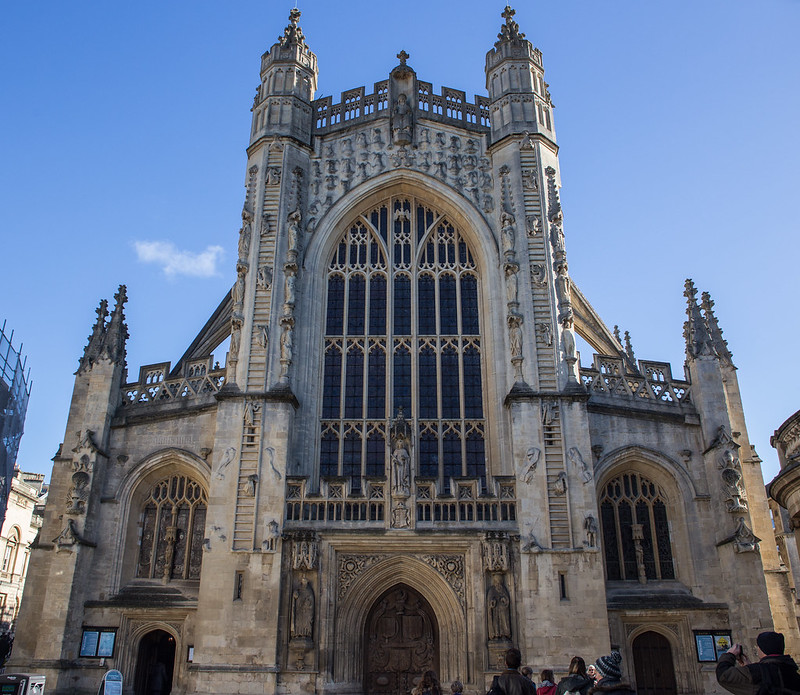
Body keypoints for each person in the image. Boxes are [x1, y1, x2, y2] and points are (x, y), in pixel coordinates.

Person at [716, 631, 800, 695]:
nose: (757, 648)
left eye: (758, 646)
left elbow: (724, 675)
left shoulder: (757, 672)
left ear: (763, 649)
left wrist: (730, 654)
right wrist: (750, 667)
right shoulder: (792, 671)